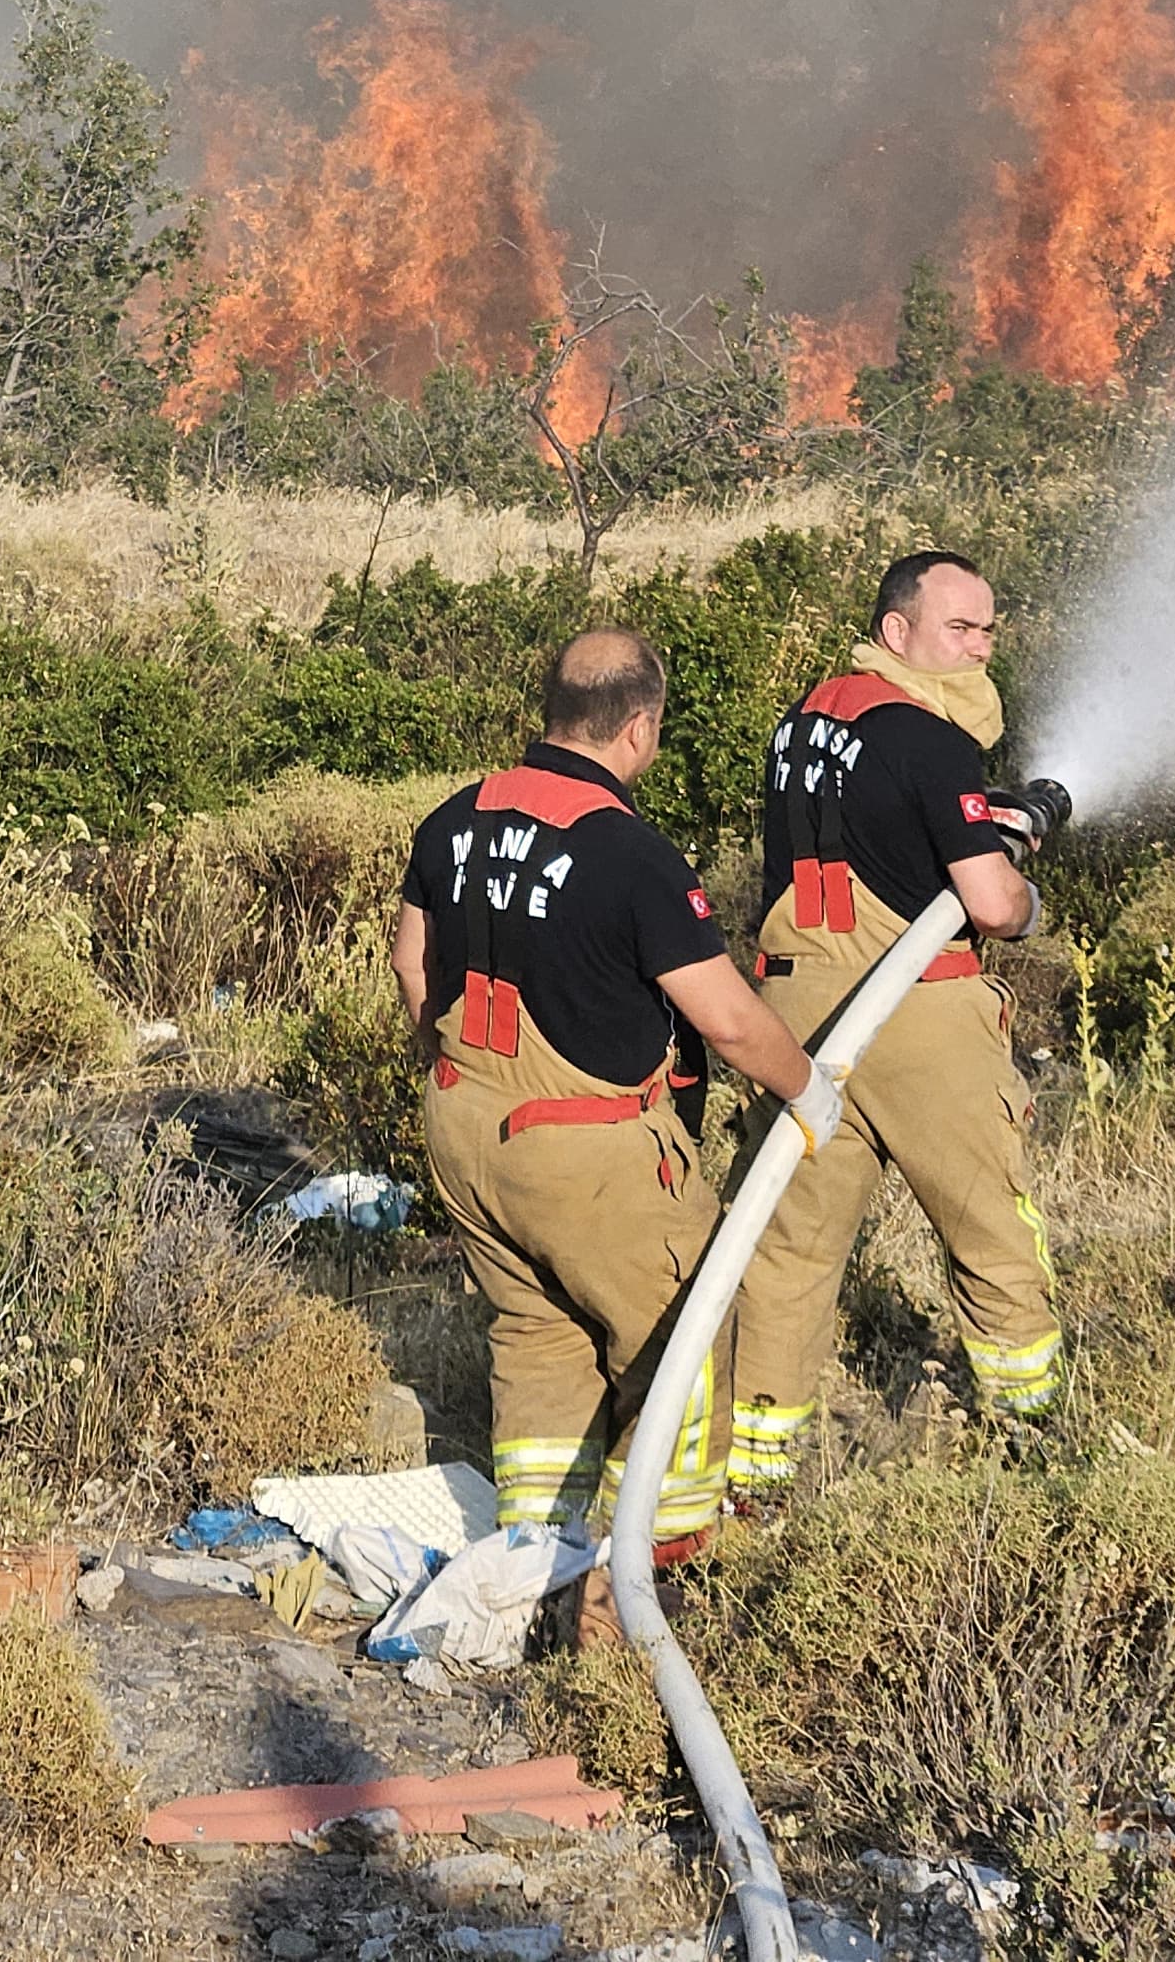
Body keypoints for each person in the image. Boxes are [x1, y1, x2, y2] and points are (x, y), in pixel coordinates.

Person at [392, 624, 843, 1576]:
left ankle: (532, 1563)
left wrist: (457, 1072)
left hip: (461, 1124)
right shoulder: (631, 855)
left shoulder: (451, 819)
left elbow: (410, 964)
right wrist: (809, 1087)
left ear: (553, 712)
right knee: (685, 1330)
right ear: (638, 729)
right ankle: (655, 1568)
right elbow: (724, 1019)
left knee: (537, 1330)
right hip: (586, 1151)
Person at [725, 549, 1057, 1509]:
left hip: (795, 1011)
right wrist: (1027, 902)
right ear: (896, 629)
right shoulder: (930, 737)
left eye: (989, 629)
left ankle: (753, 1475)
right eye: (960, 628)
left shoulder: (803, 722)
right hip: (913, 1015)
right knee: (991, 1227)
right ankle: (1031, 1441)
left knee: (788, 1247)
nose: (979, 648)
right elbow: (989, 904)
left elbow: (868, 835)